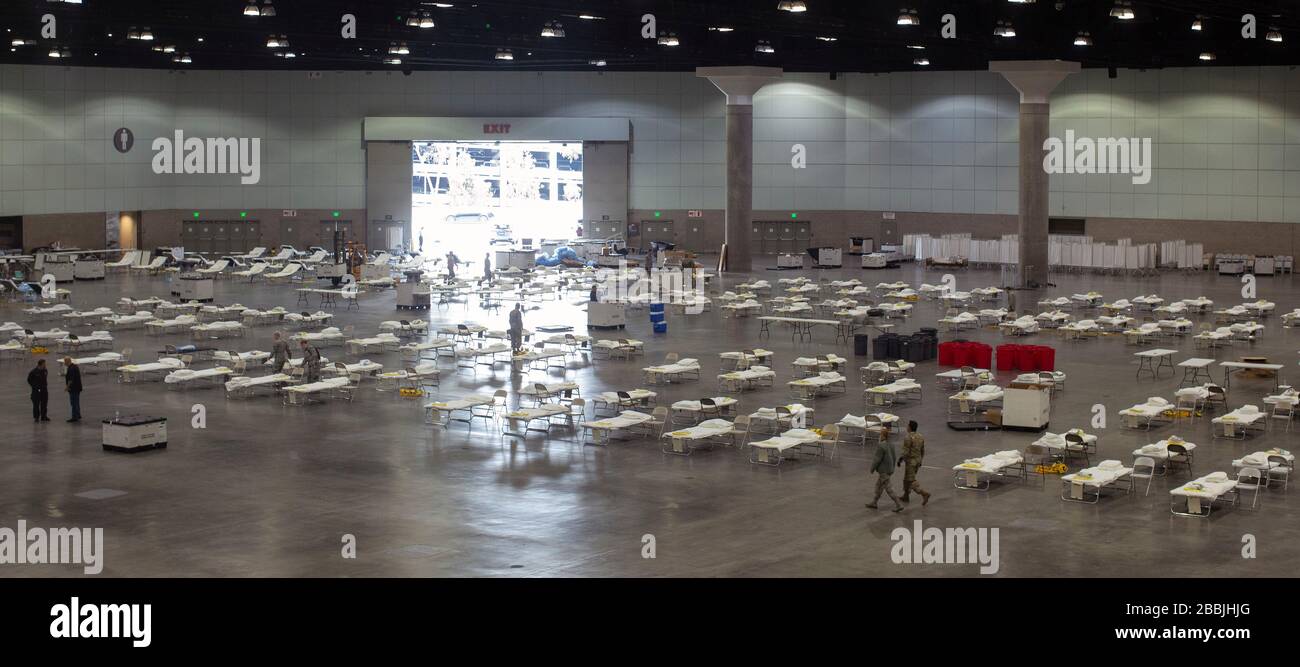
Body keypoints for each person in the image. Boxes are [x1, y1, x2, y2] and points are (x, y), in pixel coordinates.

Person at [866, 428, 904, 512]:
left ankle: (898, 504)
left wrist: (872, 468)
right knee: (879, 486)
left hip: (883, 471)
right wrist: (892, 468)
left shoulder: (881, 446)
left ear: (882, 435)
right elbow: (894, 457)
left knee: (888, 488)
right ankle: (874, 502)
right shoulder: (891, 445)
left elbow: (877, 459)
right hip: (889, 470)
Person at [899, 420, 932, 505]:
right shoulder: (920, 436)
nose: (906, 427)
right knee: (906, 479)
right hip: (917, 461)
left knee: (911, 480)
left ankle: (924, 493)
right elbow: (922, 450)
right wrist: (921, 460)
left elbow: (906, 451)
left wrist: (900, 460)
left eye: (907, 425)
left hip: (910, 462)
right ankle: (906, 496)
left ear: (909, 427)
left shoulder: (908, 437)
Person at [27, 358, 49, 423]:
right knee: (36, 404)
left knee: (44, 404)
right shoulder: (33, 372)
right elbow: (29, 380)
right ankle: (36, 417)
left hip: (44, 389)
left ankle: (44, 416)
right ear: (41, 364)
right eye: (44, 363)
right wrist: (34, 386)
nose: (45, 365)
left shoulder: (45, 370)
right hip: (36, 391)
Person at [62, 356, 82, 423]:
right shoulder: (75, 367)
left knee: (73, 402)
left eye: (65, 361)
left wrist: (67, 387)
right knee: (76, 402)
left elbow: (70, 380)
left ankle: (74, 417)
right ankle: (78, 415)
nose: (64, 363)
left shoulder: (71, 369)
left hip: (73, 388)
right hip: (77, 387)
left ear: (67, 361)